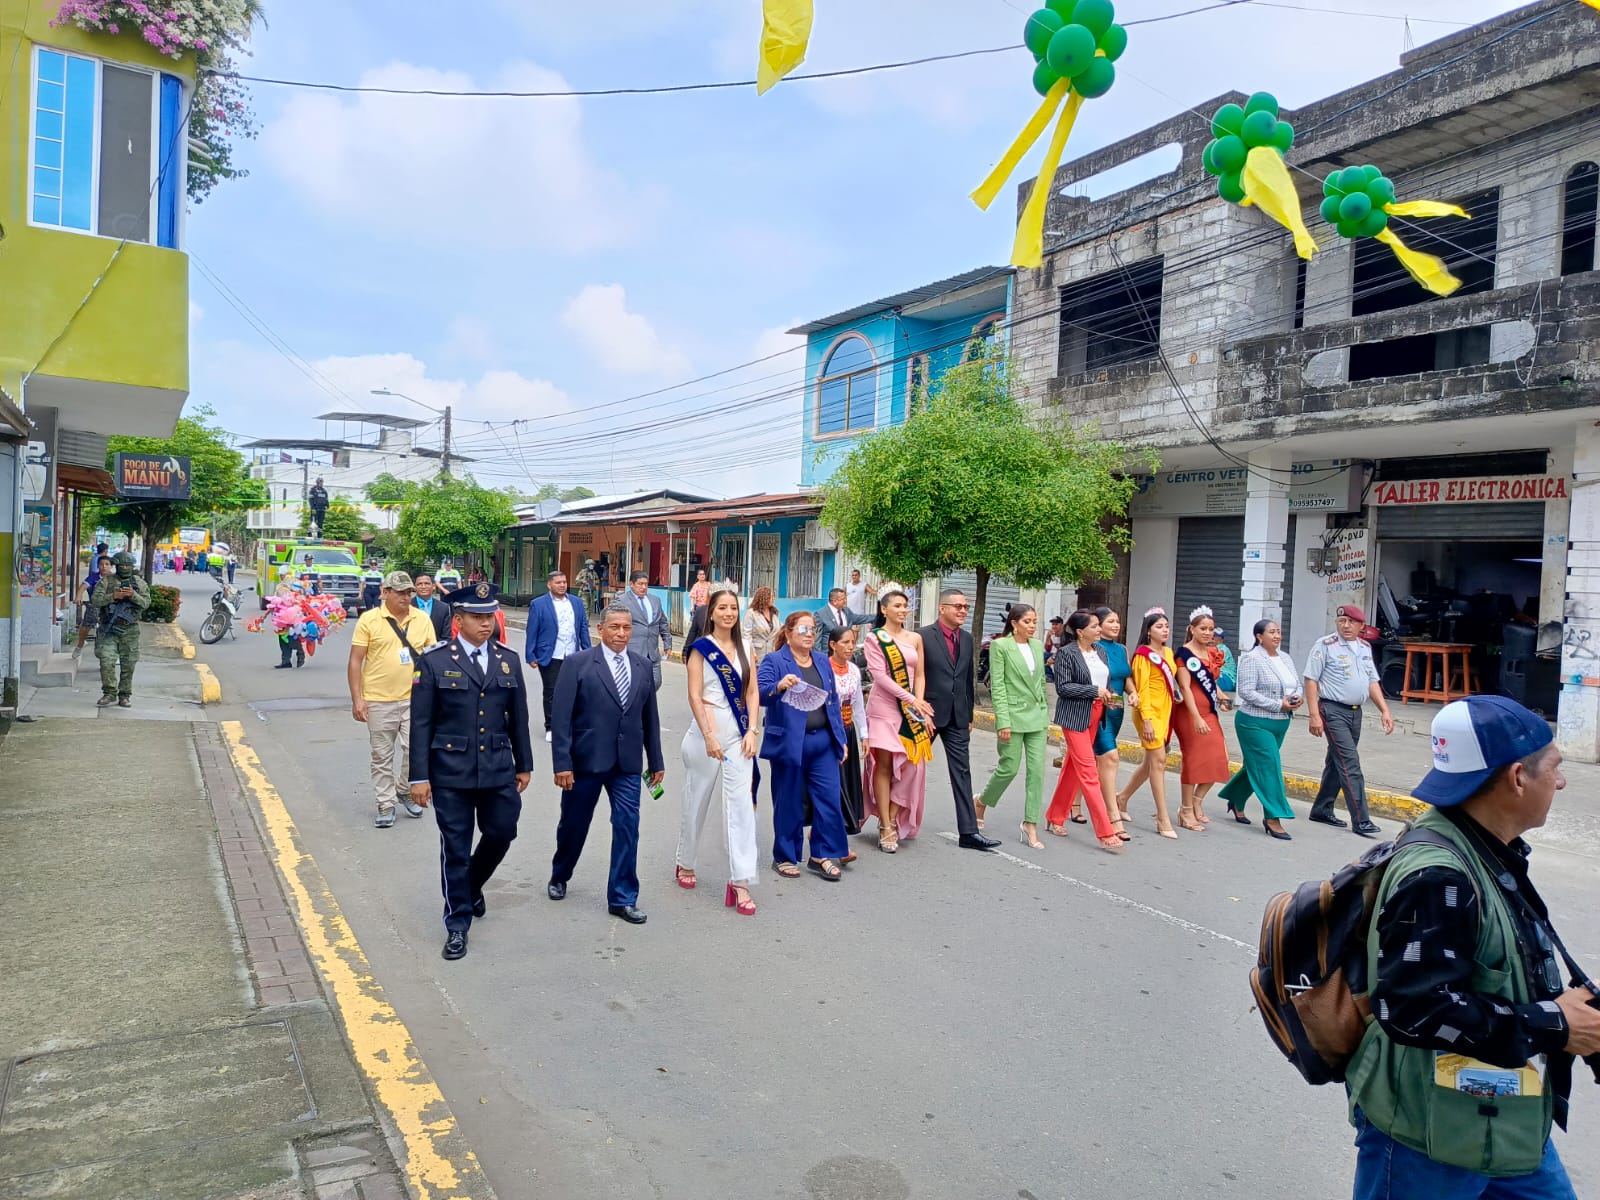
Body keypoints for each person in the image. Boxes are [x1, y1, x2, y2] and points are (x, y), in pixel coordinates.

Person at [1346, 695, 1600, 1200]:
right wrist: (1555, 1023)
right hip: (1425, 1134)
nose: (1562, 782)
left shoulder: (1483, 844)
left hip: (1500, 1120)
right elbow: (1414, 1009)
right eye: (1555, 767)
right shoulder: (1439, 874)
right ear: (1517, 778)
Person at [407, 583, 533, 961]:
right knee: (456, 849)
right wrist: (419, 777)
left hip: (497, 767)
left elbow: (519, 718)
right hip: (451, 772)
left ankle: (472, 884)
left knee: (503, 831)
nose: (486, 623)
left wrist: (524, 764)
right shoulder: (433, 661)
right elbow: (421, 723)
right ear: (458, 621)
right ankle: (457, 924)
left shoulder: (507, 660)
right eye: (477, 617)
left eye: (489, 616)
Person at [548, 604, 664, 924]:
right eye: (614, 627)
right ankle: (561, 873)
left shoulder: (642, 665)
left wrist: (655, 760)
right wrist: (562, 763)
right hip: (586, 762)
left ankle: (622, 897)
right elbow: (561, 718)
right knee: (574, 824)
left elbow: (650, 719)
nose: (621, 633)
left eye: (626, 627)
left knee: (628, 825)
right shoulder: (578, 664)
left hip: (627, 765)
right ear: (601, 630)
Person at [676, 585, 760, 915]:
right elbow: (694, 695)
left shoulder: (747, 647)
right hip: (706, 731)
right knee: (697, 798)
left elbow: (751, 692)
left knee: (741, 806)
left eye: (733, 608)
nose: (728, 613)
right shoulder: (701, 649)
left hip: (739, 734)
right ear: (710, 613)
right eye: (722, 607)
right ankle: (686, 860)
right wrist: (709, 736)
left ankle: (740, 880)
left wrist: (752, 730)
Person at [758, 612, 850, 882]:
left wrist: (840, 740)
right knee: (789, 801)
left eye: (812, 629)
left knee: (829, 799)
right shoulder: (775, 661)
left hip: (823, 742)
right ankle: (785, 856)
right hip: (789, 743)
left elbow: (833, 702)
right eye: (803, 629)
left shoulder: (822, 661)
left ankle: (821, 854)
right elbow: (760, 694)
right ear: (788, 634)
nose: (809, 634)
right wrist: (779, 686)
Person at [347, 571, 436, 828]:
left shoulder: (422, 619)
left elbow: (433, 659)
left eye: (408, 592)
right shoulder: (369, 620)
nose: (405, 597)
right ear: (385, 593)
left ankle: (404, 789)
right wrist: (358, 699)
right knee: (382, 755)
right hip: (378, 699)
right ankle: (385, 803)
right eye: (399, 593)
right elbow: (356, 661)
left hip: (415, 699)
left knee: (416, 750)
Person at [917, 588, 998, 852]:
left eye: (965, 606)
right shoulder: (923, 636)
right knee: (908, 767)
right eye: (957, 606)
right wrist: (917, 710)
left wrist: (969, 714)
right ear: (942, 608)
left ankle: (969, 832)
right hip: (928, 713)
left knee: (962, 771)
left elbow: (967, 678)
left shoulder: (966, 638)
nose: (963, 611)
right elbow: (915, 676)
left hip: (957, 715)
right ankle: (892, 819)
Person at [1305, 603, 1395, 839]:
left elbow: (1372, 681)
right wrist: (1314, 715)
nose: (1346, 626)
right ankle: (1361, 820)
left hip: (1355, 712)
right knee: (1350, 763)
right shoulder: (1325, 645)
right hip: (1332, 709)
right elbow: (1311, 680)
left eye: (1351, 622)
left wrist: (1385, 710)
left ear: (1361, 626)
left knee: (1338, 761)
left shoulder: (1364, 647)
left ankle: (1322, 809)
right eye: (1342, 621)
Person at [861, 591, 935, 853]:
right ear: (884, 609)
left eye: (905, 606)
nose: (903, 610)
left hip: (910, 710)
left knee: (913, 765)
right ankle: (885, 826)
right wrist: (912, 700)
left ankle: (891, 817)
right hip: (883, 709)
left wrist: (919, 703)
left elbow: (920, 675)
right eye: (897, 605)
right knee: (884, 765)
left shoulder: (915, 638)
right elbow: (880, 677)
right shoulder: (875, 638)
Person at [1043, 610, 1124, 851]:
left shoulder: (1100, 651)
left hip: (1097, 714)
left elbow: (1104, 681)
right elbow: (1063, 687)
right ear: (1080, 632)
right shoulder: (1066, 653)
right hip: (1074, 717)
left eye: (1099, 625)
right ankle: (1105, 831)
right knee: (1089, 771)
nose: (1099, 630)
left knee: (1073, 769)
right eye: (1094, 626)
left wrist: (1108, 696)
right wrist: (1093, 691)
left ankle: (1055, 815)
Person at [976, 604, 1052, 850]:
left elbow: (1041, 682)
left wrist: (1044, 710)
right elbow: (997, 685)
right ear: (1014, 623)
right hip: (1013, 714)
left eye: (1034, 621)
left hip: (1037, 717)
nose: (1032, 626)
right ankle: (982, 801)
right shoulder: (1001, 646)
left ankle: (1030, 822)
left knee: (1037, 772)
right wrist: (1003, 721)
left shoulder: (1037, 646)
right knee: (1008, 768)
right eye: (1027, 621)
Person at [1218, 619, 1300, 840]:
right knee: (1269, 767)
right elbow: (1246, 692)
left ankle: (1236, 797)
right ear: (1259, 636)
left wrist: (1297, 698)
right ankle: (1273, 817)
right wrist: (1277, 704)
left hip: (1281, 722)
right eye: (1271, 632)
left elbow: (1296, 684)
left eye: (1278, 631)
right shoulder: (1252, 658)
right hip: (1254, 723)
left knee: (1258, 765)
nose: (1277, 635)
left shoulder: (1285, 658)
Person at [1063, 607, 1136, 839]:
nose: (1116, 625)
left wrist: (1133, 692)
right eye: (1110, 622)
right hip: (1092, 709)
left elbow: (1124, 677)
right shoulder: (1089, 649)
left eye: (1118, 621)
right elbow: (1073, 683)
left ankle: (1069, 806)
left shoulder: (1120, 649)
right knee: (1108, 758)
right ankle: (1112, 818)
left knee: (1083, 761)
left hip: (1114, 710)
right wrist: (1097, 693)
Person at [1115, 607, 1181, 840]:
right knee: (1159, 761)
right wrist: (1147, 720)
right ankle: (1162, 817)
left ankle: (1122, 798)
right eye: (1159, 627)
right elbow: (1141, 689)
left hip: (1166, 709)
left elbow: (1168, 681)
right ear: (1148, 631)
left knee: (1151, 762)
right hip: (1148, 711)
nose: (1164, 630)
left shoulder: (1168, 652)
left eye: (1166, 626)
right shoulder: (1143, 655)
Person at [1171, 605, 1232, 832]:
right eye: (1203, 628)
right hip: (1190, 713)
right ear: (1192, 629)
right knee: (1194, 760)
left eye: (1211, 629)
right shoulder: (1184, 654)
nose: (1207, 633)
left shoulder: (1212, 652)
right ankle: (1186, 809)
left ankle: (1197, 800)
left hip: (1209, 711)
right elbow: (1185, 687)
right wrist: (1196, 717)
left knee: (1220, 758)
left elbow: (1211, 682)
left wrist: (1222, 697)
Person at [525, 570, 591, 743]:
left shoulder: (576, 602)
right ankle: (551, 726)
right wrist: (530, 654)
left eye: (564, 582)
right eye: (558, 582)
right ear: (549, 585)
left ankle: (570, 725)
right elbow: (532, 629)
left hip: (573, 654)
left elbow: (583, 627)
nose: (562, 585)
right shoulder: (539, 604)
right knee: (552, 691)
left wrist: (588, 650)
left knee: (573, 691)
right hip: (550, 654)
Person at [828, 624, 870, 844]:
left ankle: (839, 829)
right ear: (833, 645)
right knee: (833, 783)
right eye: (845, 642)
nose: (850, 647)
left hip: (848, 729)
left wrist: (864, 734)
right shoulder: (825, 668)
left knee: (847, 780)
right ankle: (831, 830)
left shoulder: (854, 670)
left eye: (852, 642)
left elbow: (858, 705)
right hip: (829, 731)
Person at [91, 551, 149, 707]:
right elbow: (95, 601)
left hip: (130, 630)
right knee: (106, 660)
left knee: (128, 664)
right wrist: (113, 596)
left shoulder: (139, 583)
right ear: (116, 565)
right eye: (122, 565)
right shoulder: (105, 582)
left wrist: (133, 595)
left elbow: (146, 603)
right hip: (109, 628)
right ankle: (109, 693)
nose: (125, 568)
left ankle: (124, 695)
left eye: (128, 565)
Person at [623, 570, 672, 691]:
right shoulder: (622, 601)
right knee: (634, 685)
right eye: (640, 584)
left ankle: (645, 700)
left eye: (646, 584)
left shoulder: (655, 600)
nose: (644, 587)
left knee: (656, 682)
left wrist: (667, 643)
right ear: (631, 584)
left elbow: (663, 623)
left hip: (652, 652)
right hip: (633, 651)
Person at [813, 587, 874, 658]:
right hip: (829, 656)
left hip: (846, 655)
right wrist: (820, 658)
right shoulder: (820, 615)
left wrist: (879, 616)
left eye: (845, 598)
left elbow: (861, 618)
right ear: (834, 601)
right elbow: (816, 640)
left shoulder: (846, 611)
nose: (845, 601)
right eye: (843, 599)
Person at [72, 554, 112, 660]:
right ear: (98, 566)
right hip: (95, 605)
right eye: (101, 564)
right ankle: (80, 645)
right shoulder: (93, 577)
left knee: (114, 628)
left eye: (107, 564)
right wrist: (78, 596)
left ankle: (113, 653)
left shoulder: (115, 578)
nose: (104, 567)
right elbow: (83, 586)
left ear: (111, 566)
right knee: (86, 626)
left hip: (110, 606)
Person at [410, 573, 453, 644]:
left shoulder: (443, 608)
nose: (423, 587)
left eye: (427, 583)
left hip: (437, 648)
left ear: (433, 586)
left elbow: (447, 637)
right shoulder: (407, 606)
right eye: (419, 584)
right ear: (414, 587)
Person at [743, 586, 780, 666]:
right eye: (771, 596)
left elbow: (778, 631)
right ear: (764, 597)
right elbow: (747, 635)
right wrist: (751, 653)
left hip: (772, 653)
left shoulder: (774, 613)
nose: (773, 599)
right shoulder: (752, 613)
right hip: (758, 653)